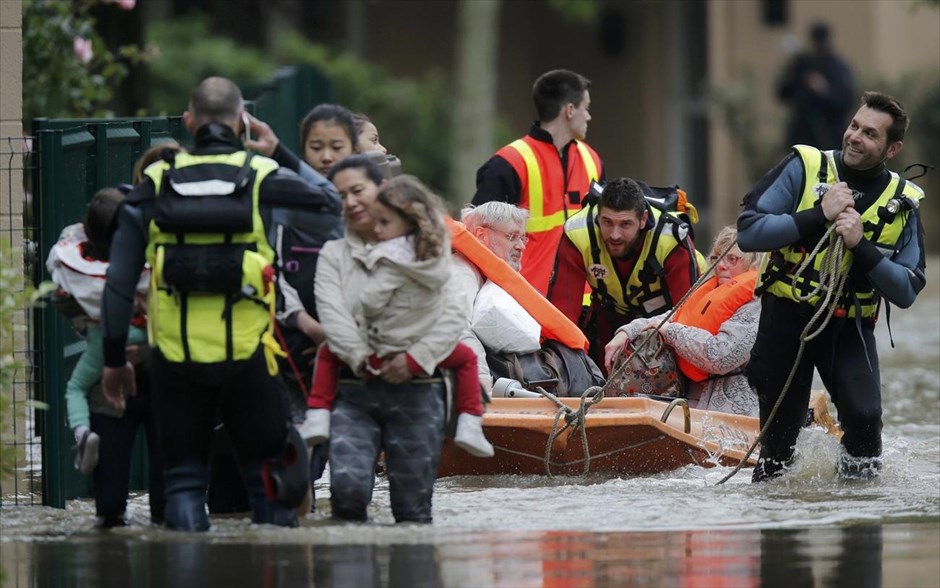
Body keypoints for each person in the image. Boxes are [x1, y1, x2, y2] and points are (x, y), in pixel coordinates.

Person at [100, 76, 328, 531]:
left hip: (174, 361)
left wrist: (113, 360)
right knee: (268, 486)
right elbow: (332, 202)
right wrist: (278, 151)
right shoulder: (264, 176)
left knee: (184, 484)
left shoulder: (155, 183)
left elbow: (120, 280)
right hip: (249, 360)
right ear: (242, 121)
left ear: (188, 121)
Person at [737, 91, 926, 481]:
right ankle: (776, 526)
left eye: (870, 134)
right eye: (854, 126)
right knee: (779, 443)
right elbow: (749, 233)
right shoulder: (805, 166)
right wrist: (818, 214)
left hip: (848, 324)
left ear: (893, 149)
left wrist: (862, 246)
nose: (855, 136)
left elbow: (906, 290)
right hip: (787, 318)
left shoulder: (903, 202)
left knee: (865, 417)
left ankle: (858, 515)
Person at [313, 155, 466, 523]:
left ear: (381, 190)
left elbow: (453, 314)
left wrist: (413, 359)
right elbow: (334, 316)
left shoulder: (429, 250)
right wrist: (365, 357)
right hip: (354, 386)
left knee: (412, 510)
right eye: (340, 195)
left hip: (420, 387)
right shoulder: (333, 255)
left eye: (357, 190)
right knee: (347, 495)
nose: (350, 201)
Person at [301, 175, 493, 458]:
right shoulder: (432, 252)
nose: (377, 230)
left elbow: (370, 302)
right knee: (466, 358)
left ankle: (317, 413)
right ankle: (469, 422)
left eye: (384, 223)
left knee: (328, 354)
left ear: (407, 220)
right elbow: (448, 306)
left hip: (381, 345)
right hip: (416, 345)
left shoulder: (384, 256)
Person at [46, 186, 165, 528]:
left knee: (115, 509)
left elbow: (66, 303)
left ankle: (83, 433)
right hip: (135, 379)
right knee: (161, 508)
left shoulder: (73, 259)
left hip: (123, 379)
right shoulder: (153, 254)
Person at [472, 69, 604, 295]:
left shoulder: (593, 160)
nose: (589, 116)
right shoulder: (509, 164)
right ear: (570, 110)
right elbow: (478, 240)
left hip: (586, 306)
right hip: (527, 307)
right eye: (586, 108)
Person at [548, 177, 702, 371]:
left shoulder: (671, 237)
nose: (615, 235)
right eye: (607, 222)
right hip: (608, 315)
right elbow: (562, 316)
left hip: (664, 321)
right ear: (597, 216)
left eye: (625, 224)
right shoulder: (578, 233)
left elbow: (688, 320)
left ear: (643, 219)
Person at [604, 227, 761, 416]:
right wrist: (626, 333)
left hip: (736, 413)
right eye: (716, 258)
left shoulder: (757, 306)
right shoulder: (710, 293)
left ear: (753, 265)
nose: (721, 265)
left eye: (732, 259)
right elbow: (669, 318)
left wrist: (672, 332)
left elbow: (721, 356)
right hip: (690, 403)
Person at [776, 21, 855, 150]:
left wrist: (824, 90)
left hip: (829, 134)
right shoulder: (804, 64)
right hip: (803, 133)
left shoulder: (836, 67)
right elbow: (783, 92)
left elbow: (845, 99)